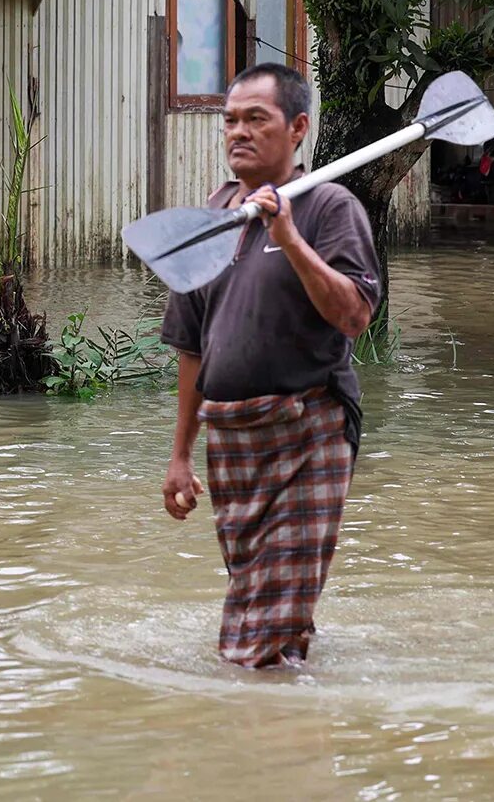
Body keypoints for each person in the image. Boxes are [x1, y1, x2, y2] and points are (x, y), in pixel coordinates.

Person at [159, 63, 382, 669]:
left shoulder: (329, 207)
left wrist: (288, 235)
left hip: (308, 428)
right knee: (266, 605)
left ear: (298, 128)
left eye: (257, 118)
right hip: (232, 436)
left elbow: (355, 315)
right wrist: (180, 455)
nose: (238, 132)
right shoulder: (211, 218)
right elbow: (191, 346)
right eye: (230, 120)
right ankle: (286, 724)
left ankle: (242, 726)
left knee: (257, 629)